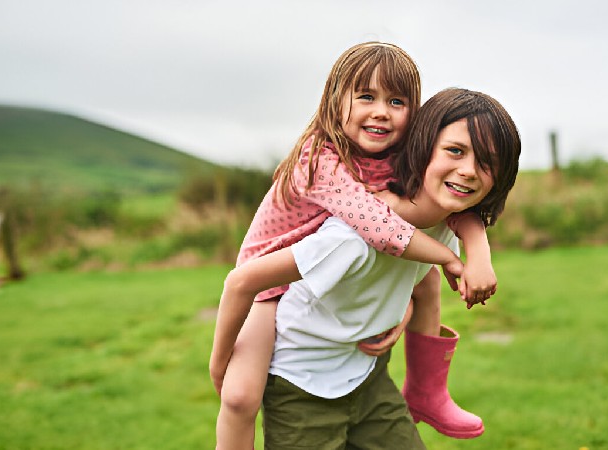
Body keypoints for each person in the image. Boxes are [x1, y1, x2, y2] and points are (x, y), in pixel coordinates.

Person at [209, 43, 495, 449]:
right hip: (271, 284)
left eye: (397, 101)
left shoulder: (398, 157)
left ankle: (428, 392)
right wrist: (449, 257)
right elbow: (377, 225)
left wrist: (469, 256)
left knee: (426, 284)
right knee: (238, 397)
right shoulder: (319, 157)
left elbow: (444, 202)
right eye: (366, 96)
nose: (381, 110)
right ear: (334, 102)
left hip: (317, 269)